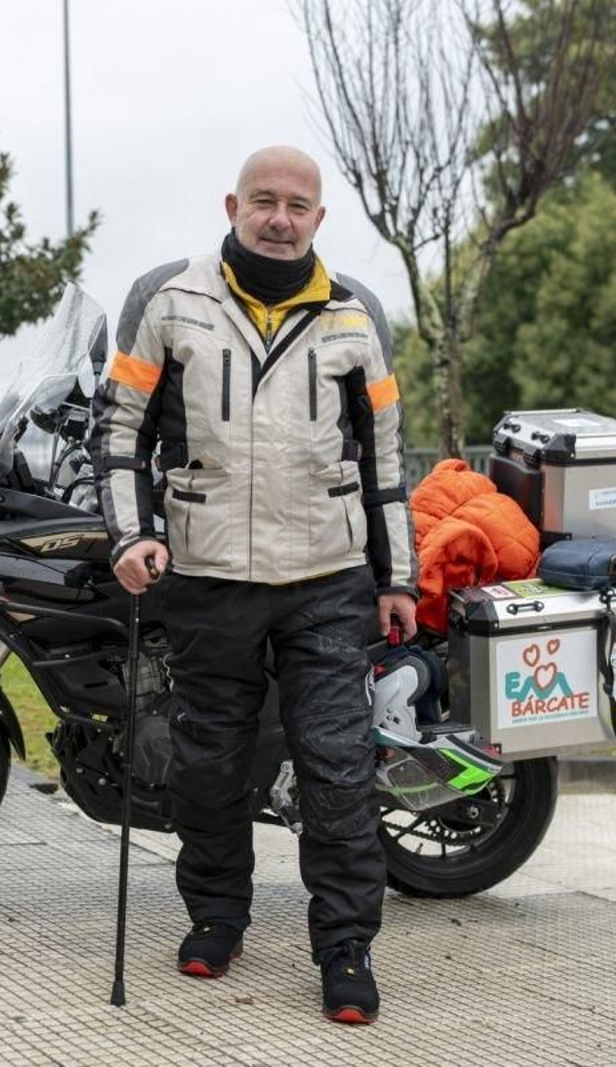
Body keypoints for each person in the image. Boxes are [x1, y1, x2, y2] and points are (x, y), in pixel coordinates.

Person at [89, 145, 418, 1025]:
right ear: (233, 203)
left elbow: (384, 458)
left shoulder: (357, 314)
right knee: (210, 765)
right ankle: (215, 917)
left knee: (338, 769)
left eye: (298, 205)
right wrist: (131, 534)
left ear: (319, 218)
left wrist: (400, 579)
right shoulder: (169, 299)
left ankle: (345, 947)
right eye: (264, 200)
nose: (281, 216)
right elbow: (120, 435)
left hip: (326, 579)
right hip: (207, 578)